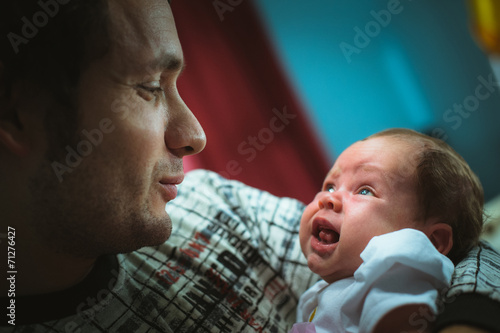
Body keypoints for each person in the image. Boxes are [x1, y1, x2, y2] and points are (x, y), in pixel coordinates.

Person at [0, 0, 498, 332]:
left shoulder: (214, 206)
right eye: (149, 86)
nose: (195, 135)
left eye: (365, 190)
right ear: (19, 117)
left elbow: (462, 247)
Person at [294, 128, 482, 333]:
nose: (328, 199)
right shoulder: (332, 288)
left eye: (364, 190)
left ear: (429, 243)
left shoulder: (395, 267)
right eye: (330, 186)